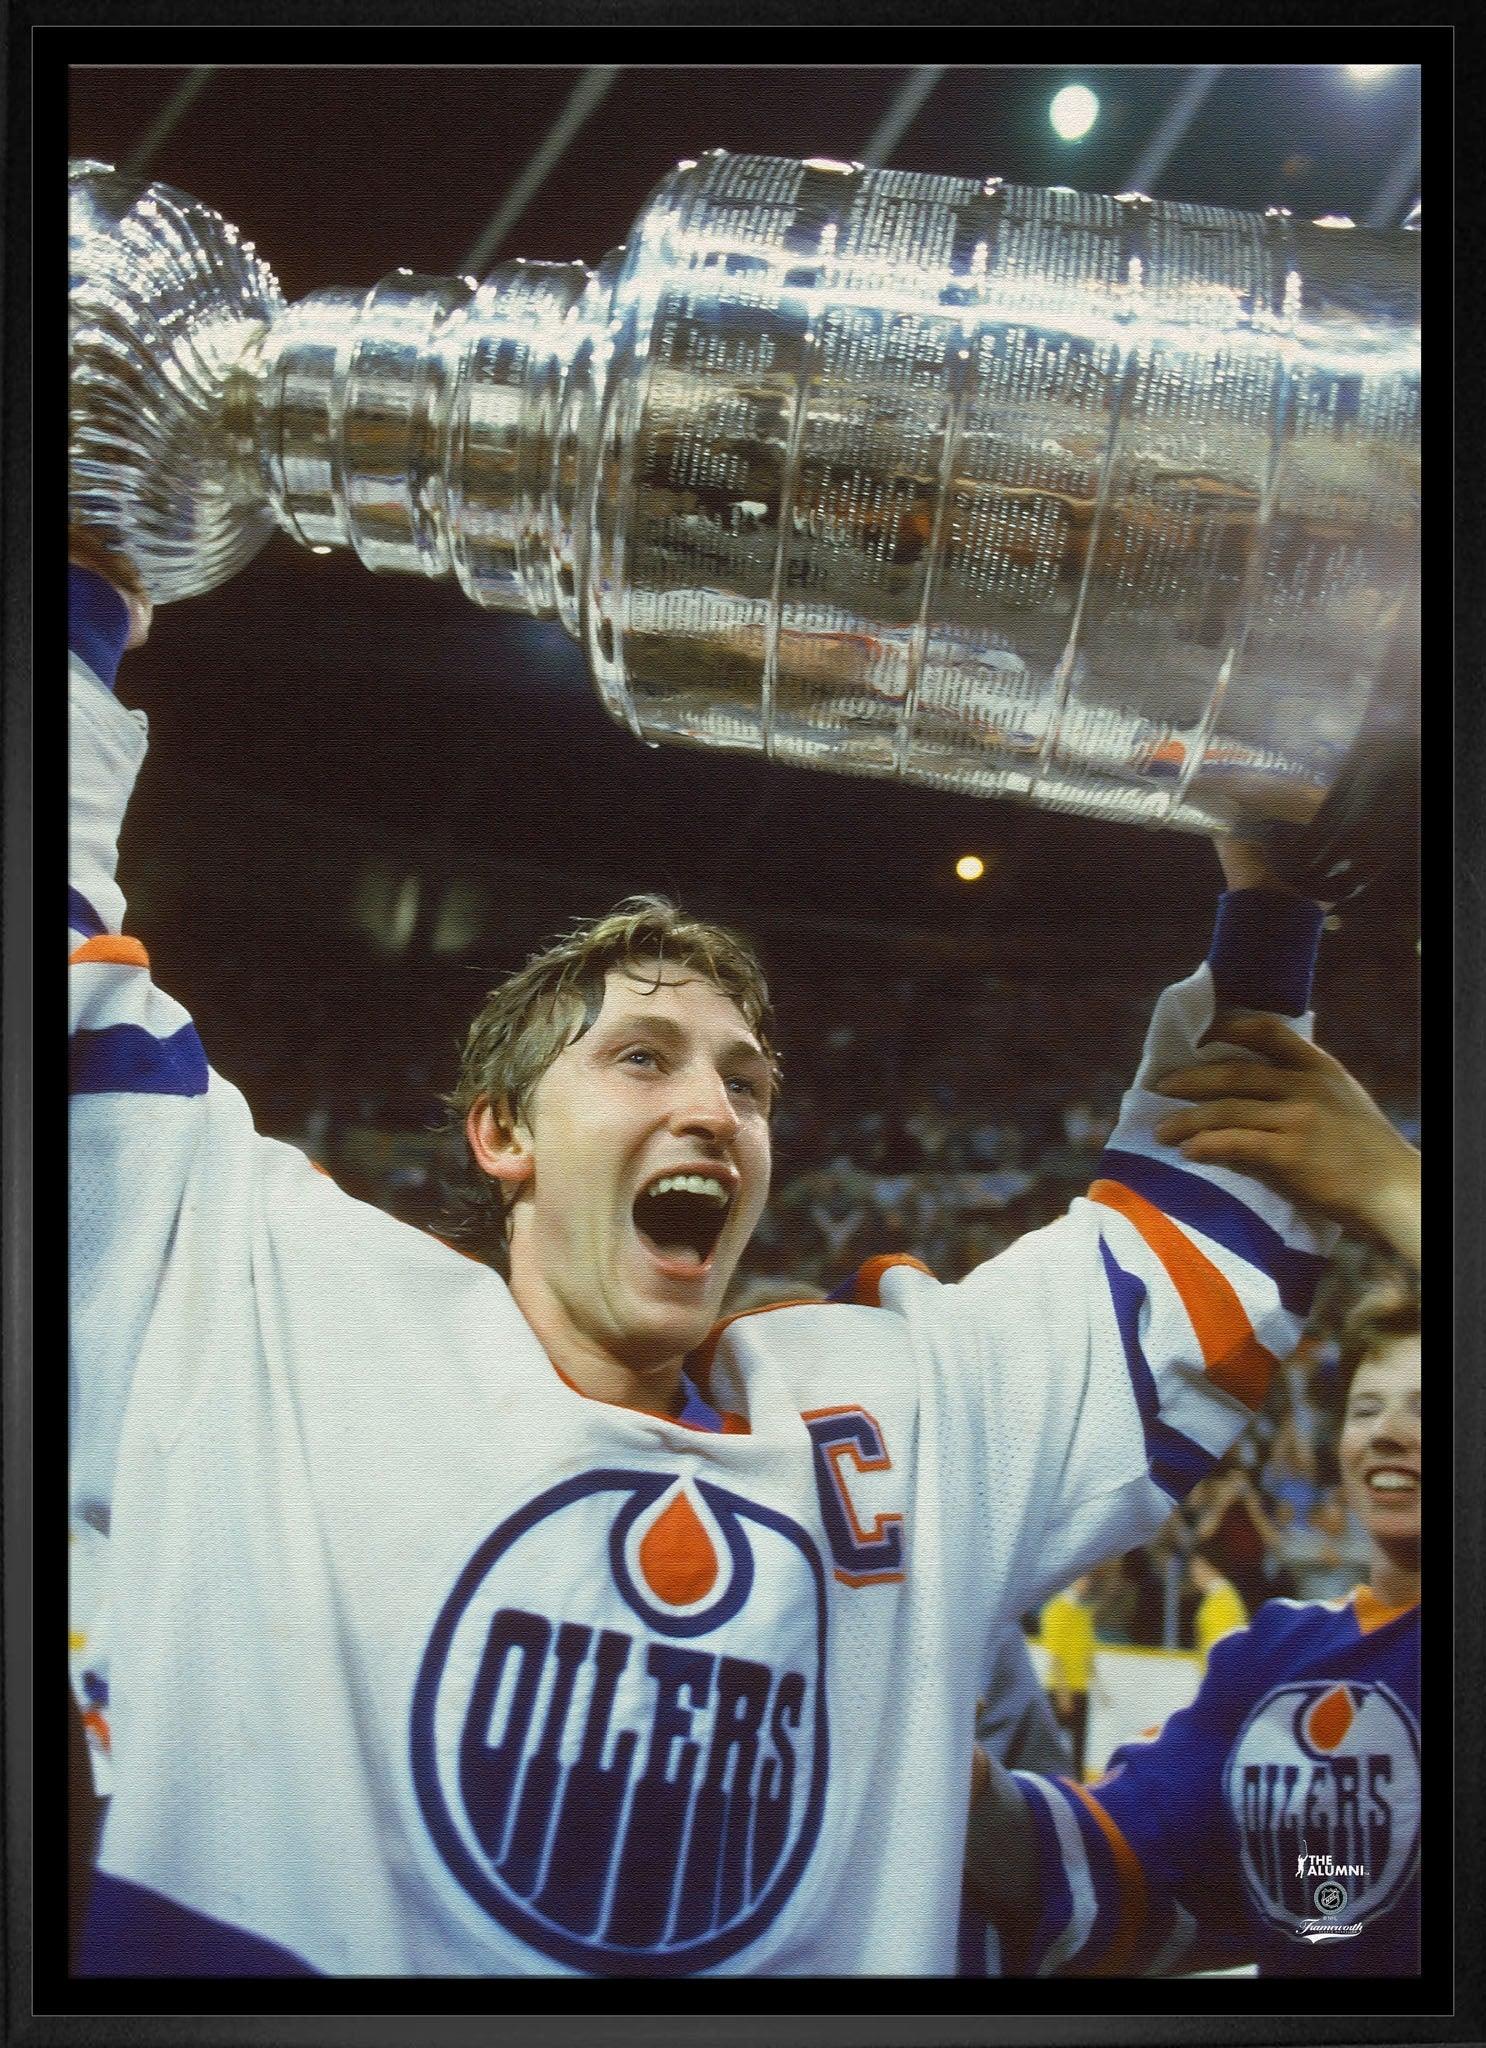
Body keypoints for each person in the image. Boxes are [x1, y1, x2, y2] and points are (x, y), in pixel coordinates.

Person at [70, 530, 1342, 1978]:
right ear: (501, 1134)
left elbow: (1191, 1253)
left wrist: (1269, 891)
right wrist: (88, 562)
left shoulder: (888, 1418)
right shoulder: (276, 1322)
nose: (711, 1110)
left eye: (745, 1083)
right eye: (641, 1059)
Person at [962, 1119, 1421, 1975]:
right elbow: (1128, 1848)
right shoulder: (1275, 1654)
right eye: (1366, 1410)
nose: (1389, 1435)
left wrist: (1396, 1188)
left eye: (1430, 1408)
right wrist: (951, 1781)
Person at [1037, 1576, 1101, 1779]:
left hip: (1080, 1688)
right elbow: (1055, 1656)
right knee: (1053, 1744)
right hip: (1060, 1689)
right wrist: (1063, 1693)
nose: (1087, 1582)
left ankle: (1077, 1787)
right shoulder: (1055, 1609)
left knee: (1079, 1745)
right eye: (1082, 1577)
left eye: (1088, 1578)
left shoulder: (1083, 1612)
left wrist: (1099, 1687)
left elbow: (1087, 1653)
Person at [1187, 1549, 1249, 1667]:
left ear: (1211, 1567)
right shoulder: (1221, 1595)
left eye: (1196, 1566)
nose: (1192, 1573)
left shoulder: (1221, 1601)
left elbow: (1219, 1647)